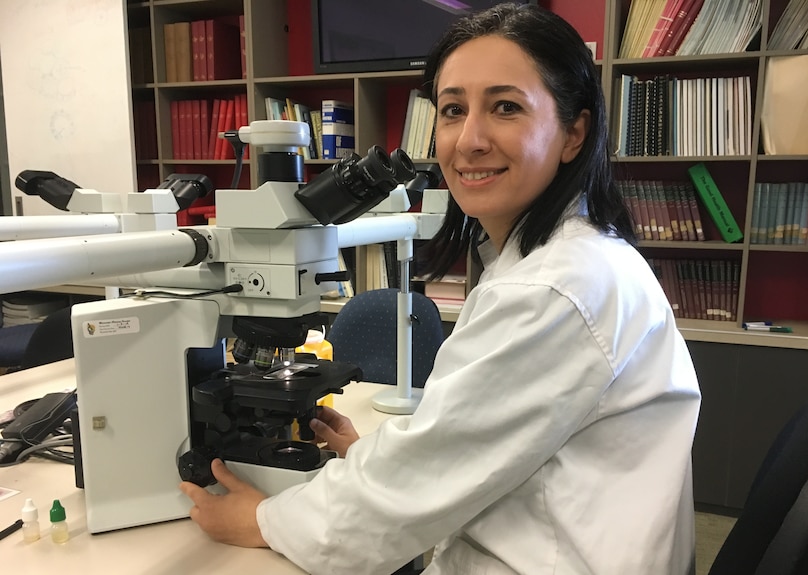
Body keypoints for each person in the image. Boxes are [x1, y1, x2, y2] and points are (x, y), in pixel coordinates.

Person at [180, 4, 702, 574]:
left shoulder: (557, 288)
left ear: (573, 132)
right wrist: (378, 457)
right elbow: (467, 441)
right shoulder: (563, 259)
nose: (469, 139)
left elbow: (423, 477)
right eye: (453, 110)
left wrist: (263, 521)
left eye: (506, 107)